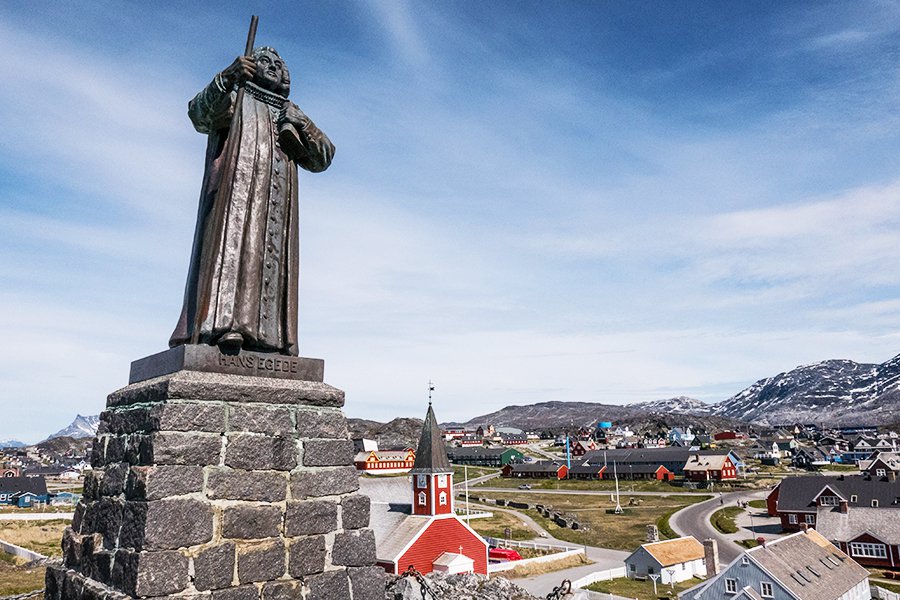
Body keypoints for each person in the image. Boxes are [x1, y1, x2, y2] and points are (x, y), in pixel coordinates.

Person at [169, 47, 334, 355]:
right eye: (265, 62)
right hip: (237, 196)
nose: (273, 67)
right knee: (234, 252)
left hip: (277, 204)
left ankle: (271, 339)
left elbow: (323, 157)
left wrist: (304, 124)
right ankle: (223, 326)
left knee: (270, 262)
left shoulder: (289, 111)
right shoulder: (236, 96)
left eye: (279, 64)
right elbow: (198, 114)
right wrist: (228, 76)